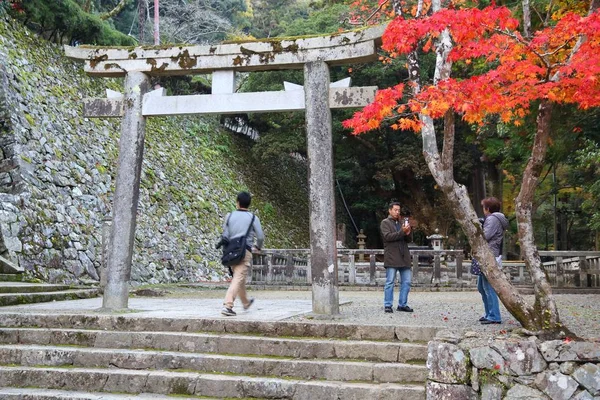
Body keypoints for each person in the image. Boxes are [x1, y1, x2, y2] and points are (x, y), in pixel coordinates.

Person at [220, 191, 264, 317]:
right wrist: (257, 247)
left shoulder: (229, 216)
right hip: (244, 251)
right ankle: (228, 305)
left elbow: (225, 234)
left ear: (237, 203)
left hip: (230, 251)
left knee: (239, 278)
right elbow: (260, 236)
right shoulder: (253, 218)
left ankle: (245, 302)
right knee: (238, 278)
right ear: (248, 204)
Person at [478, 196, 509, 325]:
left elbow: (485, 236)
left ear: (488, 208)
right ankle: (489, 313)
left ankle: (494, 315)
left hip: (489, 254)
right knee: (481, 286)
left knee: (488, 286)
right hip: (491, 254)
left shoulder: (492, 219)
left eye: (484, 207)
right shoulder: (497, 219)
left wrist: (479, 227)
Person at [381, 202, 413, 313]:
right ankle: (388, 304)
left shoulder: (401, 223)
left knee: (407, 282)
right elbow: (388, 237)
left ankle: (402, 304)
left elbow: (408, 240)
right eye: (395, 210)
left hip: (404, 255)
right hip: (392, 256)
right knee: (390, 282)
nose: (397, 212)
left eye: (398, 210)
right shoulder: (385, 223)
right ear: (390, 210)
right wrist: (402, 232)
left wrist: (408, 232)